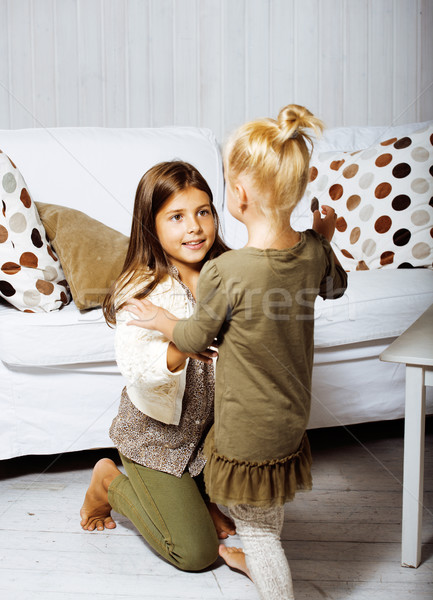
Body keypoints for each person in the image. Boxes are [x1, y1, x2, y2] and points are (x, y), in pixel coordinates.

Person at [124, 104, 348, 599]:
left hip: (246, 431)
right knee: (266, 511)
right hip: (290, 422)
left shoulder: (228, 273)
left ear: (238, 196)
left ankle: (269, 577)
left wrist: (162, 320)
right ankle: (234, 535)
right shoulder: (312, 252)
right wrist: (324, 241)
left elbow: (195, 338)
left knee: (262, 534)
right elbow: (333, 287)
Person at [79, 160, 236, 572]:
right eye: (177, 217)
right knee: (197, 554)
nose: (195, 228)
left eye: (203, 212)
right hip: (157, 436)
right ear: (151, 225)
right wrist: (182, 344)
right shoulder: (142, 286)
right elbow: (138, 366)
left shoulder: (228, 273)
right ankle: (108, 482)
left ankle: (201, 496)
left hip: (208, 433)